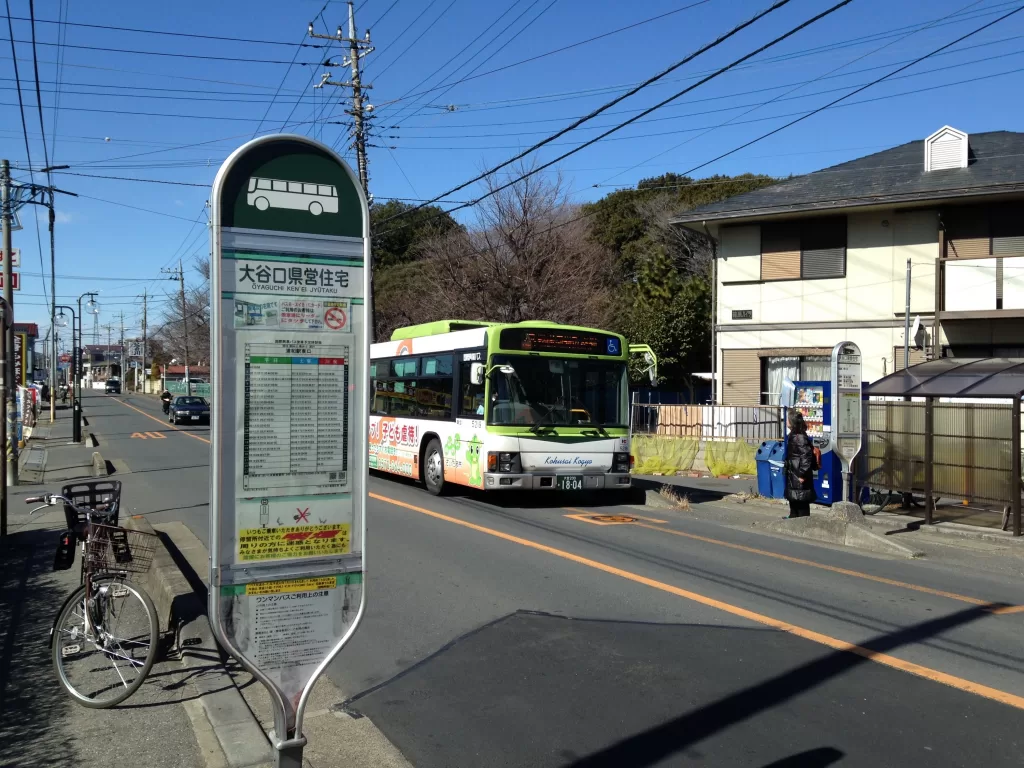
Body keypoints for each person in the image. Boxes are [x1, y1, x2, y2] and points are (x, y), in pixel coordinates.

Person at [785, 410, 817, 518]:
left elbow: (806, 456)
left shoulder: (799, 436)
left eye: (787, 419)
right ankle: (793, 520)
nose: (786, 421)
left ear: (792, 421)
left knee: (801, 503)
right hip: (794, 473)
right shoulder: (795, 434)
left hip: (798, 474)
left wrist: (802, 474)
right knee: (794, 500)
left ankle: (802, 526)